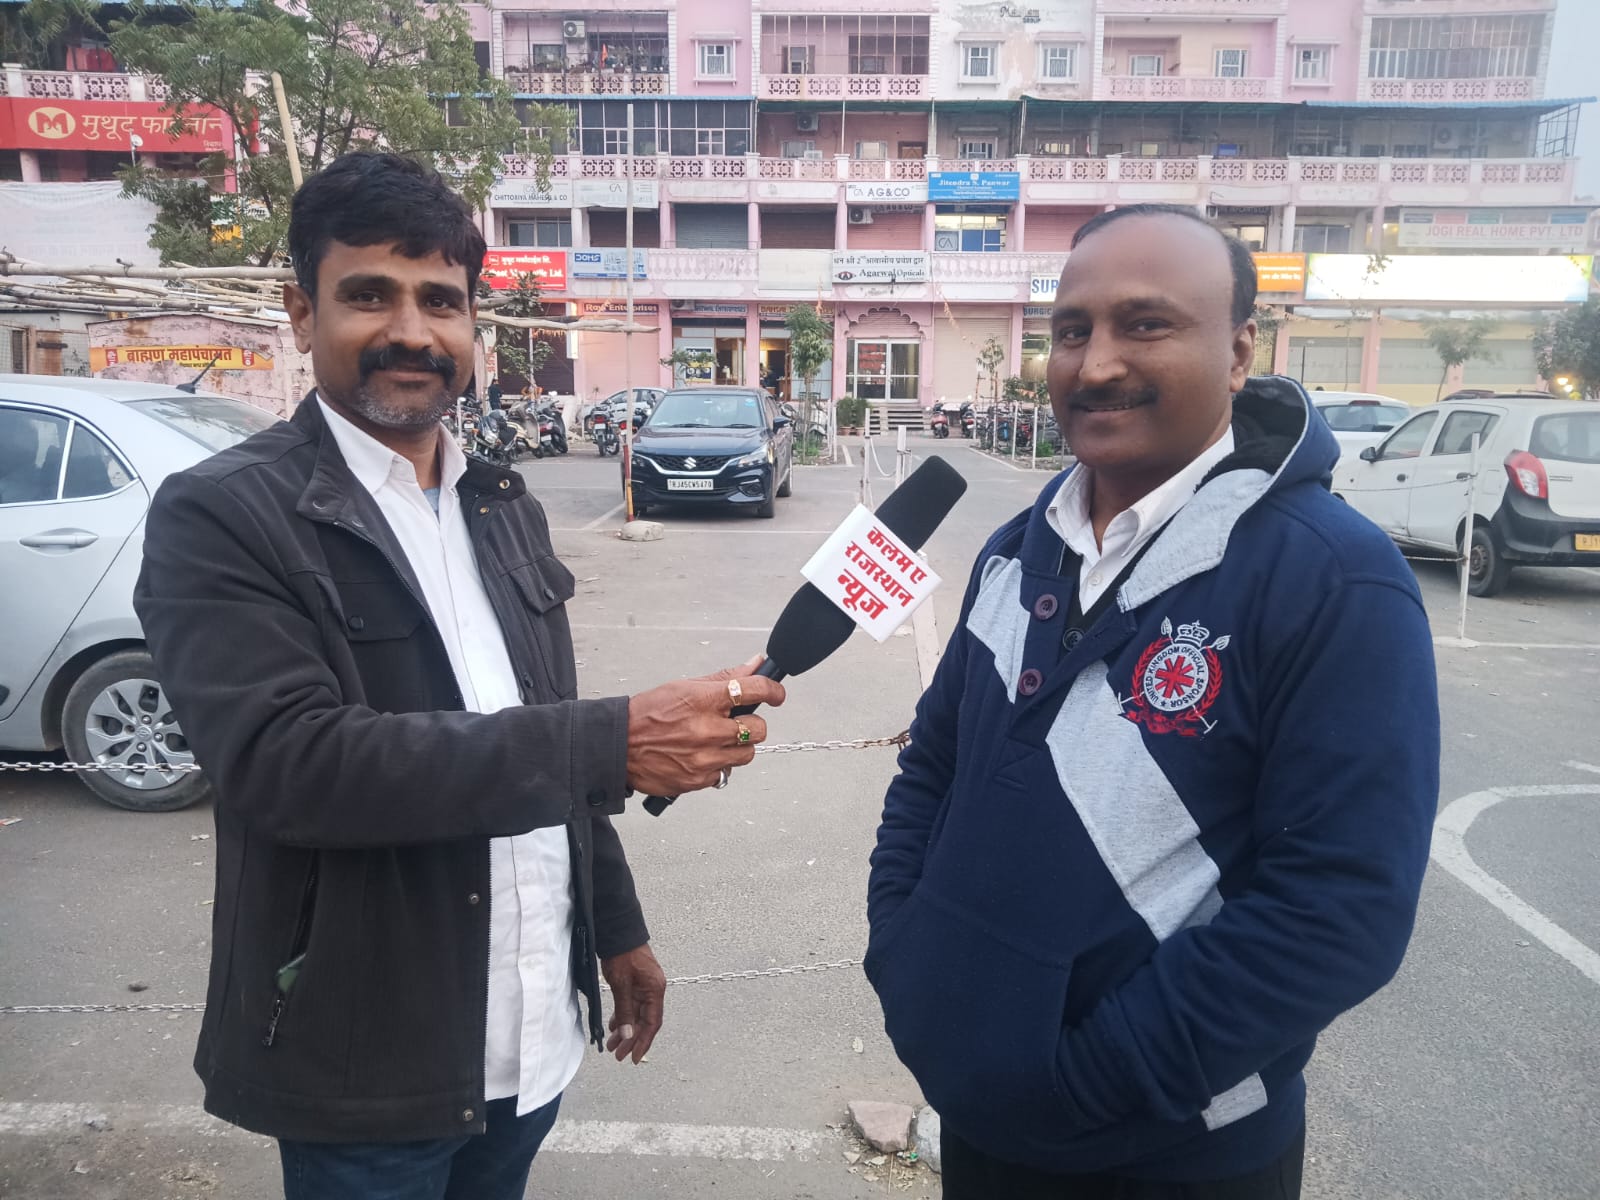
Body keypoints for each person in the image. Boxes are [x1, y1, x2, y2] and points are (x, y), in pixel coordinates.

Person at [133, 152, 784, 1200]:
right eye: (368, 296)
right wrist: (613, 740)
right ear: (302, 314)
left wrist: (617, 928)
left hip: (532, 1035)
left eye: (441, 301)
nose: (412, 331)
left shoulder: (502, 504)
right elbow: (285, 765)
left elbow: (544, 731)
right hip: (366, 1064)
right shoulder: (224, 514)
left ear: (473, 324)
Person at [865, 203, 1438, 1199]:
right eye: (1071, 330)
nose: (1094, 365)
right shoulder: (1015, 551)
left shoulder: (1333, 580)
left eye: (1146, 324)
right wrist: (904, 957)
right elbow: (934, 767)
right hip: (983, 1128)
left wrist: (1090, 1086)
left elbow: (1338, 909)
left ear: (1239, 352)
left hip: (1175, 1157)